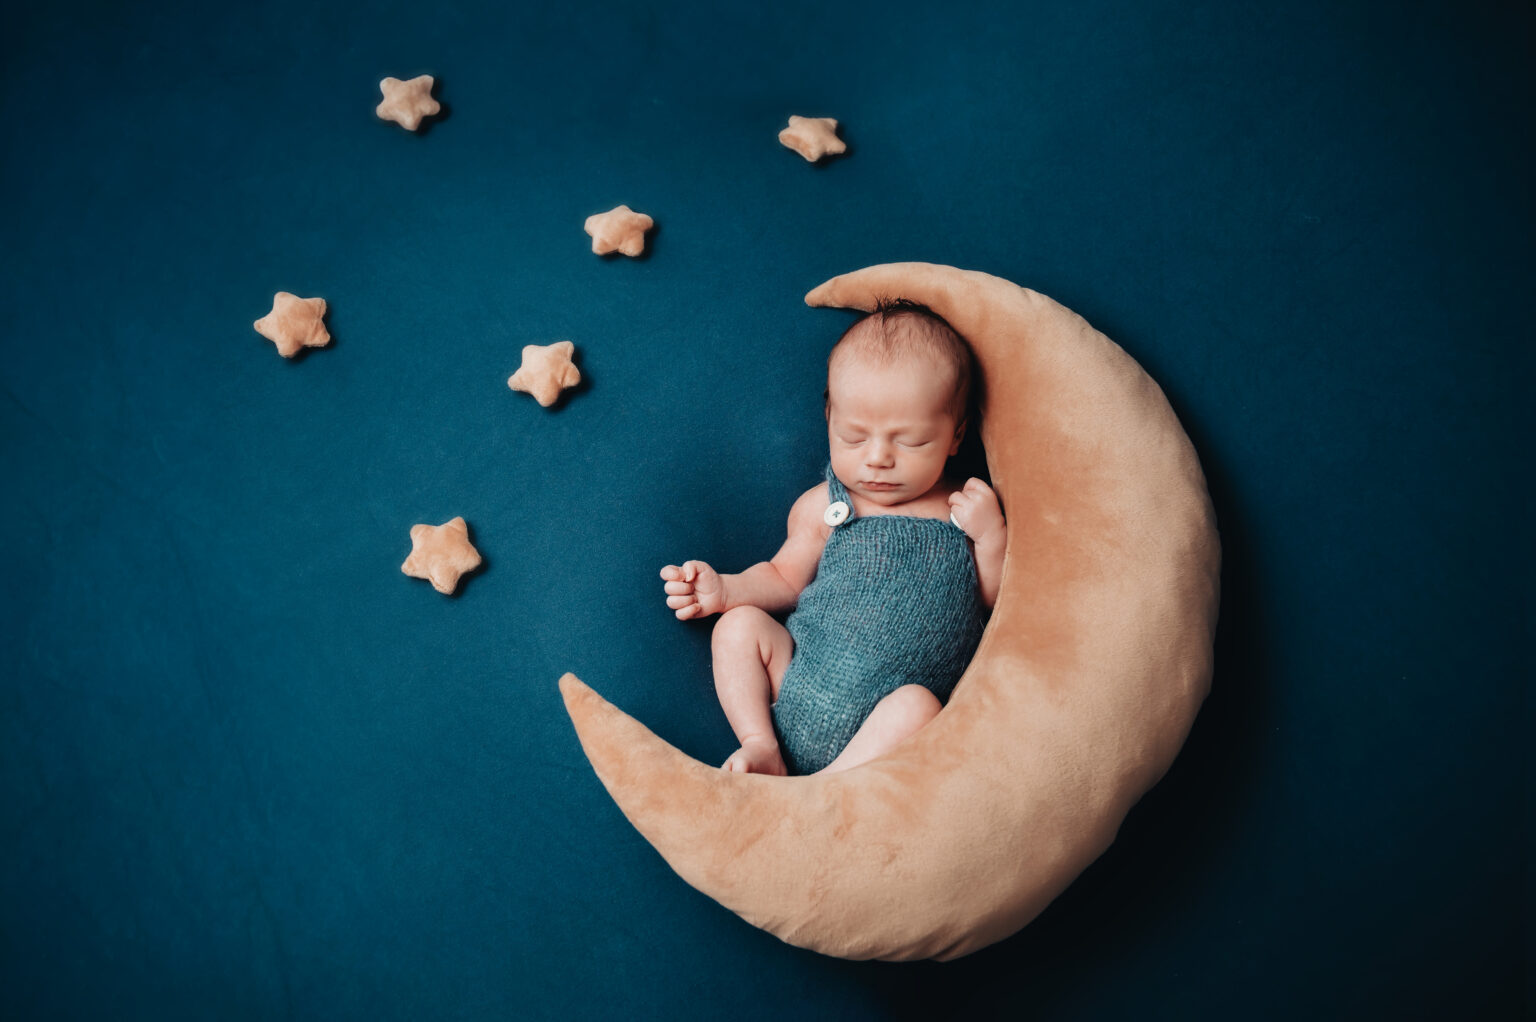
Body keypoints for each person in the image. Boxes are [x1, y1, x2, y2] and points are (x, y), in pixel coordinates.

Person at [660, 299, 1007, 775]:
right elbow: (784, 578)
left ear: (956, 435)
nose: (878, 458)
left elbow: (989, 602)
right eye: (854, 437)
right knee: (737, 627)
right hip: (794, 680)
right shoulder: (824, 505)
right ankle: (761, 743)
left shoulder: (962, 513)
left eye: (910, 441)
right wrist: (726, 590)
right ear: (828, 419)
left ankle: (825, 787)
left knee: (920, 706)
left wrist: (991, 539)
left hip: (882, 730)